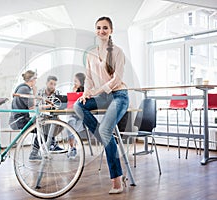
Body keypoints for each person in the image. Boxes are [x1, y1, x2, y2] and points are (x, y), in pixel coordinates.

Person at [73, 16, 129, 194]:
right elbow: (88, 78)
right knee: (78, 106)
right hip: (102, 96)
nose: (101, 31)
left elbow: (117, 79)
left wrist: (96, 91)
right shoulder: (90, 54)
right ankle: (105, 138)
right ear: (95, 30)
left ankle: (117, 180)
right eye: (98, 28)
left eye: (105, 28)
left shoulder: (118, 52)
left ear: (111, 30)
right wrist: (86, 93)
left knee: (106, 131)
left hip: (118, 95)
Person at [37, 75, 64, 152]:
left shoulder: (57, 93)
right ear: (46, 83)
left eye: (54, 84)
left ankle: (51, 144)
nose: (53, 86)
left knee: (59, 123)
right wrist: (47, 106)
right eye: (51, 83)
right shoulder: (40, 92)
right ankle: (50, 144)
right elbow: (37, 107)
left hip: (52, 116)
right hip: (41, 116)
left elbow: (59, 106)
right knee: (52, 122)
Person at [67, 72, 86, 158]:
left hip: (82, 116)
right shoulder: (74, 90)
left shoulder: (86, 91)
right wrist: (73, 92)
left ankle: (74, 146)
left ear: (81, 82)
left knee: (75, 126)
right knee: (70, 122)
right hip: (73, 115)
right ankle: (73, 148)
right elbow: (70, 102)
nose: (74, 83)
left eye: (76, 81)